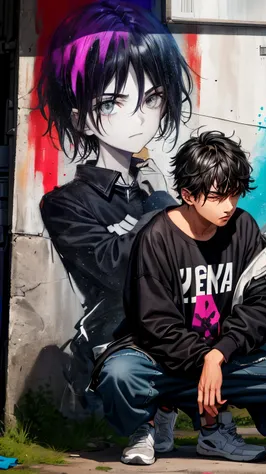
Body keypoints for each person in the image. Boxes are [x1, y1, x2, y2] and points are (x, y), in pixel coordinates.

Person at [89, 130, 266, 465]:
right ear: (188, 195)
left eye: (234, 195)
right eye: (218, 197)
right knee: (119, 375)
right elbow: (155, 324)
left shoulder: (243, 228)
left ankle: (210, 425)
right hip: (160, 361)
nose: (229, 206)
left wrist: (219, 355)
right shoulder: (156, 239)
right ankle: (149, 425)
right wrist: (205, 361)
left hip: (224, 358)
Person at [36, 0, 190, 447]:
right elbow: (115, 268)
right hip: (115, 341)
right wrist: (160, 208)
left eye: (152, 97)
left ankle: (183, 412)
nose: (137, 115)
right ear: (82, 117)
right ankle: (135, 418)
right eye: (113, 101)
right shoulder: (66, 203)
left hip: (177, 335)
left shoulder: (158, 189)